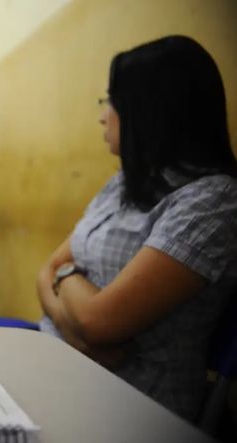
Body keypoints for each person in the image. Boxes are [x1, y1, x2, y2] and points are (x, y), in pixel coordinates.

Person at [36, 35, 237, 422]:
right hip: (67, 362)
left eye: (111, 100)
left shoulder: (213, 202)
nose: (102, 114)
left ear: (152, 109)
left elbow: (99, 321)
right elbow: (46, 271)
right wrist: (81, 338)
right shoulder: (126, 182)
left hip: (130, 405)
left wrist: (67, 280)